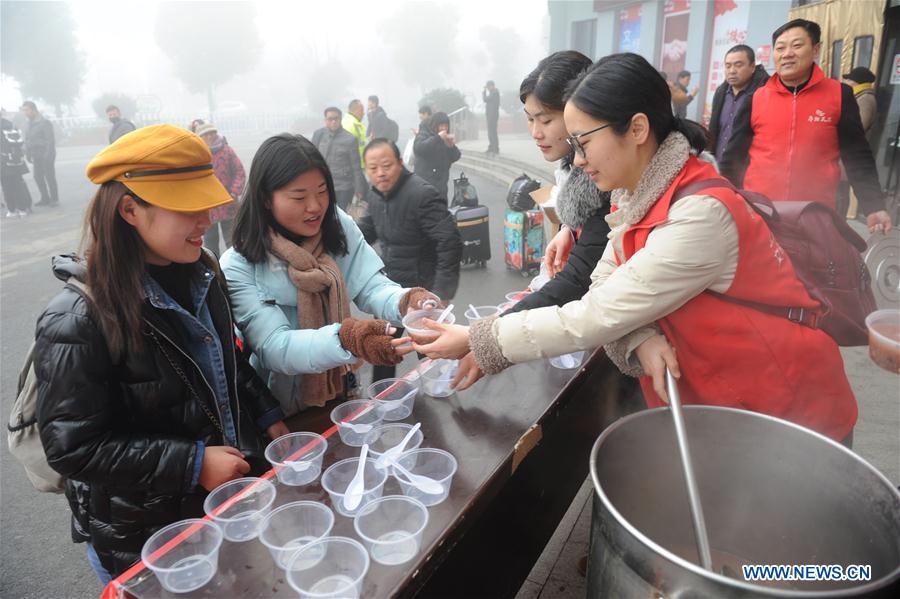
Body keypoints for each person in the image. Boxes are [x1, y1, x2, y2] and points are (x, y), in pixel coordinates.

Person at [407, 52, 858, 446]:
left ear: (637, 128)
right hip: (728, 405)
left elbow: (593, 315)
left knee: (780, 544)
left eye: (583, 143)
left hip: (790, 410)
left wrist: (480, 338)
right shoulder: (635, 193)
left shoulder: (698, 215)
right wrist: (639, 334)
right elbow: (606, 283)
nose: (578, 160)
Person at [34, 124, 288, 582]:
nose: (207, 218)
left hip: (216, 509)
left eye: (206, 202)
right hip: (143, 540)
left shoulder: (203, 275)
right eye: (187, 207)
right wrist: (192, 464)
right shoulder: (79, 317)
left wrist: (269, 414)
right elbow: (72, 447)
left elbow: (222, 362)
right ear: (130, 209)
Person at [220, 134, 439, 432]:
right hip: (281, 409)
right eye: (299, 197)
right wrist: (347, 338)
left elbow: (369, 285)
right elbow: (274, 346)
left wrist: (404, 301)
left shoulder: (335, 224)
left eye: (322, 191)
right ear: (264, 198)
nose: (315, 206)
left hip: (340, 390)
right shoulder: (239, 264)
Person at [454, 50, 616, 392]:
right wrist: (570, 230)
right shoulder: (577, 171)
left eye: (545, 120)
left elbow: (579, 279)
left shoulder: (609, 181)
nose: (535, 132)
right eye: (529, 119)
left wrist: (487, 334)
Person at [720, 19, 892, 232]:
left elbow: (857, 155)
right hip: (761, 212)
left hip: (816, 214)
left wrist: (874, 205)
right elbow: (733, 157)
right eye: (780, 48)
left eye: (797, 45)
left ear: (816, 49)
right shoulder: (756, 98)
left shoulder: (839, 95)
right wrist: (726, 201)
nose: (787, 53)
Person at [708, 45, 769, 163]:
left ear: (752, 67)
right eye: (728, 66)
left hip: (745, 170)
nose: (732, 71)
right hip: (717, 166)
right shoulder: (721, 92)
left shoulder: (764, 92)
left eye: (738, 65)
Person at [195, 123, 246, 253]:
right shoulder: (197, 155)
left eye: (212, 133)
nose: (210, 136)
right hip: (208, 207)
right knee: (210, 241)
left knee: (232, 240)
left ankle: (234, 267)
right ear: (200, 137)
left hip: (229, 203)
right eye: (206, 134)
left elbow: (239, 171)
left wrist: (234, 193)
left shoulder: (227, 151)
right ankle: (214, 268)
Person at [312, 107, 368, 211]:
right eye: (330, 119)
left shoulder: (350, 139)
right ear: (325, 120)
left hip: (343, 187)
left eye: (336, 119)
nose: (333, 122)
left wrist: (359, 188)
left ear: (340, 119)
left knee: (340, 216)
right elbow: (311, 159)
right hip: (323, 185)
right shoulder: (318, 135)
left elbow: (356, 166)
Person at [413, 112, 461, 201]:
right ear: (435, 125)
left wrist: (451, 146)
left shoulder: (445, 138)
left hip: (441, 186)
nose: (444, 128)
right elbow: (419, 148)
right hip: (424, 184)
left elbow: (456, 156)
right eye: (441, 125)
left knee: (441, 211)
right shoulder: (424, 133)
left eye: (446, 126)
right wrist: (437, 138)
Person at [20, 101, 58, 207]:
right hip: (35, 154)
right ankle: (45, 198)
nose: (25, 113)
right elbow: (27, 139)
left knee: (49, 176)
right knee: (37, 177)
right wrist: (27, 153)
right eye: (24, 110)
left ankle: (54, 199)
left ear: (33, 110)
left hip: (46, 153)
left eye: (26, 110)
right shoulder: (28, 124)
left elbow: (50, 141)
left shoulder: (44, 122)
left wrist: (48, 155)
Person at [1, 111, 32, 217]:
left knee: (6, 186)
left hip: (3, 161)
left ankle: (12, 210)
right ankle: (23, 208)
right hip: (15, 161)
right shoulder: (9, 124)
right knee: (18, 185)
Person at [842, 66, 877, 136]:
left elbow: (859, 127)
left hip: (853, 144)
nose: (845, 82)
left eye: (849, 80)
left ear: (856, 82)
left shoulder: (865, 99)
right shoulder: (858, 95)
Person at [342, 99, 367, 167]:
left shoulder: (356, 123)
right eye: (362, 110)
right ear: (355, 110)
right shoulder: (349, 125)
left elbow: (361, 143)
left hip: (360, 164)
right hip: (355, 166)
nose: (363, 113)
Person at [483, 80, 500, 154]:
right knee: (491, 132)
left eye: (488, 86)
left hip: (492, 116)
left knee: (492, 132)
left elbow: (485, 99)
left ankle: (495, 148)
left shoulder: (495, 93)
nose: (487, 88)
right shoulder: (493, 93)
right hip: (491, 115)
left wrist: (483, 92)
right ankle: (492, 147)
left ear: (492, 86)